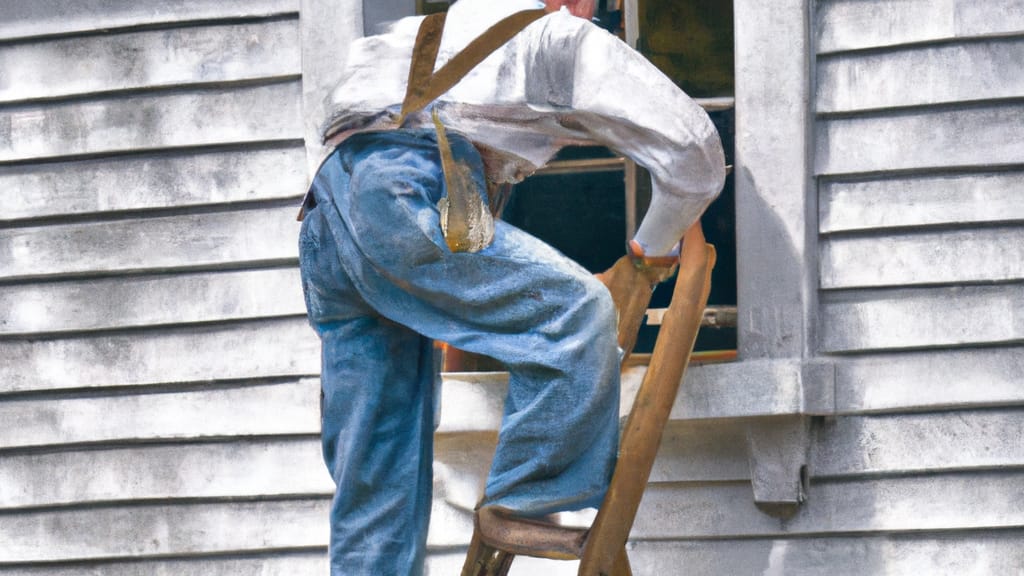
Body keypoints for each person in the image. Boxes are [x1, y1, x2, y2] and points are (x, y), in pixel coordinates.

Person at [297, 0, 726, 573]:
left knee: (377, 463)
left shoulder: (435, 30)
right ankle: (527, 494)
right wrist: (653, 246)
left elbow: (355, 134)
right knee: (576, 314)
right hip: (407, 193)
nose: (597, 13)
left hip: (329, 218)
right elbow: (694, 152)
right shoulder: (557, 40)